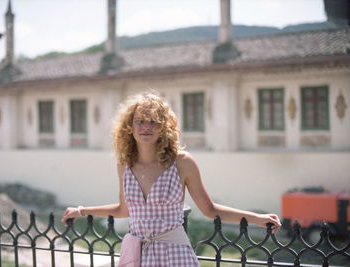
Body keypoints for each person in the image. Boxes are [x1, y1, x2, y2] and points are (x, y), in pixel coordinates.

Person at [62, 92, 281, 266]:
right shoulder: (124, 164)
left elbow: (209, 209)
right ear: (129, 127)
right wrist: (81, 211)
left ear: (163, 127)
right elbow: (124, 210)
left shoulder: (182, 162)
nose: (145, 127)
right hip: (138, 254)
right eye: (139, 121)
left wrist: (256, 218)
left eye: (153, 122)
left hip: (174, 253)